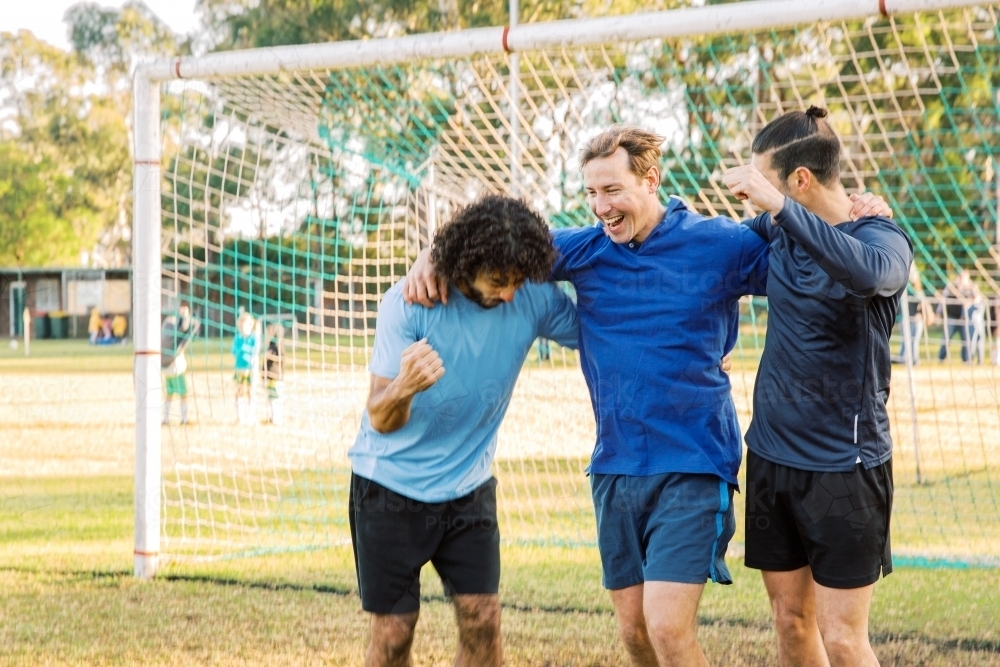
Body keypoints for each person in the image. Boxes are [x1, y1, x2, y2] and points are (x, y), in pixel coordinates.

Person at [404, 127, 892, 666]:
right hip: (616, 465)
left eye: (611, 190)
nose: (600, 207)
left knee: (665, 626)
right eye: (590, 193)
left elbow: (804, 251)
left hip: (694, 460)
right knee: (635, 631)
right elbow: (501, 240)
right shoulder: (585, 248)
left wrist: (859, 213)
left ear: (650, 179)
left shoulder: (719, 243)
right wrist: (433, 253)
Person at [349, 195, 579, 667]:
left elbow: (605, 332)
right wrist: (404, 388)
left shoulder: (531, 298)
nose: (511, 292)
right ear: (465, 264)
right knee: (393, 634)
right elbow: (380, 418)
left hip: (468, 489)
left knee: (483, 617)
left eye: (518, 279)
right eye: (498, 280)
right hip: (389, 488)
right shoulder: (407, 304)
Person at [723, 106, 912, 667]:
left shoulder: (881, 235)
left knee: (844, 637)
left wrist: (780, 208)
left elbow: (872, 274)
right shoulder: (777, 229)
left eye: (765, 183)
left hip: (844, 469)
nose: (757, 199)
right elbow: (715, 253)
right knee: (790, 621)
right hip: (772, 458)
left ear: (798, 180)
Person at [161, 303, 200, 426]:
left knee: (170, 394)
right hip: (175, 367)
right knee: (183, 393)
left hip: (167, 365)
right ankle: (183, 419)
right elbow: (189, 325)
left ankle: (166, 419)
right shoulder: (173, 323)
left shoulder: (168, 323)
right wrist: (185, 317)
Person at [895, 263, 933, 365]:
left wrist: (928, 314)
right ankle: (904, 359)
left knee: (913, 341)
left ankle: (913, 360)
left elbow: (924, 304)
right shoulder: (904, 290)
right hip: (906, 319)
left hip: (916, 319)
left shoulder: (918, 292)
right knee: (906, 340)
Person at [938, 269, 976, 362]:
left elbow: (977, 299)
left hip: (964, 318)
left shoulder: (971, 287)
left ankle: (966, 359)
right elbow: (943, 300)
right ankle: (941, 358)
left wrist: (970, 302)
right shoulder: (951, 286)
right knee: (946, 337)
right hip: (952, 317)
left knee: (966, 339)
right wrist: (938, 313)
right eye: (961, 276)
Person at [232, 311, 259, 425]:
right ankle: (240, 416)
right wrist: (241, 349)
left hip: (250, 370)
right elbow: (234, 351)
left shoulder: (253, 338)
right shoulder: (237, 337)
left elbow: (255, 352)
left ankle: (251, 416)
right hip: (239, 369)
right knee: (239, 392)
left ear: (251, 324)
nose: (244, 326)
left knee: (250, 392)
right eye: (242, 323)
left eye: (246, 323)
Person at [263, 323, 285, 425]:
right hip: (270, 377)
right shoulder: (271, 346)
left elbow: (282, 359)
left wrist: (270, 356)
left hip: (275, 378)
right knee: (271, 397)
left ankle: (277, 418)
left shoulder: (277, 347)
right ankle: (272, 417)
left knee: (275, 397)